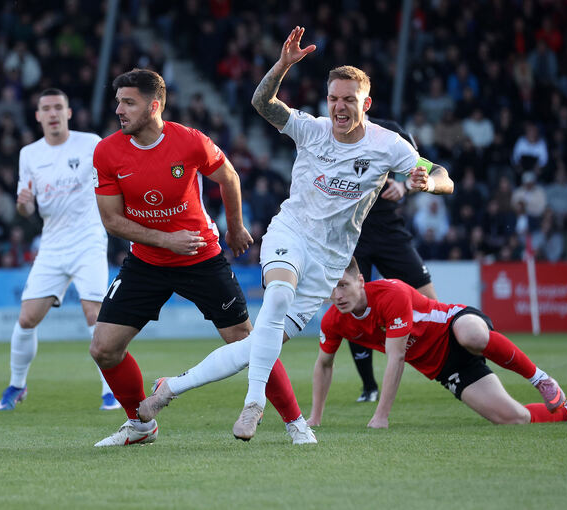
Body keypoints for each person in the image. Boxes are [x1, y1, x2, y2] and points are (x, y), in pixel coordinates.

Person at [137, 27, 454, 442]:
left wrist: (428, 183)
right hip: (291, 232)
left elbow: (443, 175)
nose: (340, 108)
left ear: (367, 103)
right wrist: (283, 65)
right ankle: (254, 404)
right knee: (278, 296)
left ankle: (172, 386)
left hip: (330, 261)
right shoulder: (310, 128)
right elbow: (260, 102)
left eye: (349, 101)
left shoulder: (388, 145)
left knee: (257, 346)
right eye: (334, 99)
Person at [90, 69, 313, 447]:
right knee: (104, 348)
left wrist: (236, 228)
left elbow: (229, 177)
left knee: (248, 340)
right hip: (146, 262)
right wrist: (165, 239)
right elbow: (112, 220)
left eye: (129, 102)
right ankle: (141, 426)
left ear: (154, 105)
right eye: (118, 102)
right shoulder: (107, 151)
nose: (119, 110)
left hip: (200, 256)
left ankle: (296, 423)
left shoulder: (189, 141)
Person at [308, 258, 567, 428]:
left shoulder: (391, 295)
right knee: (513, 419)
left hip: (452, 323)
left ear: (361, 281)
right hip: (443, 366)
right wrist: (315, 417)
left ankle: (542, 379)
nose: (337, 295)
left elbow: (396, 358)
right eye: (331, 288)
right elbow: (324, 364)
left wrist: (381, 416)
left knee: (472, 335)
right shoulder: (334, 320)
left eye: (343, 285)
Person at [0, 88, 119, 412]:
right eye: (46, 108)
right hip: (52, 245)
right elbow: (26, 208)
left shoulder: (90, 143)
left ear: (68, 113)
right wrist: (24, 205)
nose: (52, 113)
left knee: (95, 314)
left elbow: (114, 177)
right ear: (37, 116)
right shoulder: (29, 154)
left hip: (89, 240)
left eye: (58, 107)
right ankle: (17, 385)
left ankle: (110, 390)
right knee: (27, 318)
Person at [347, 119, 439, 403]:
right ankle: (369, 386)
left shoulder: (394, 133)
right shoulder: (334, 133)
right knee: (352, 305)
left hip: (389, 231)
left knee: (431, 303)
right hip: (352, 233)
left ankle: (450, 362)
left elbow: (423, 168)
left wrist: (404, 186)